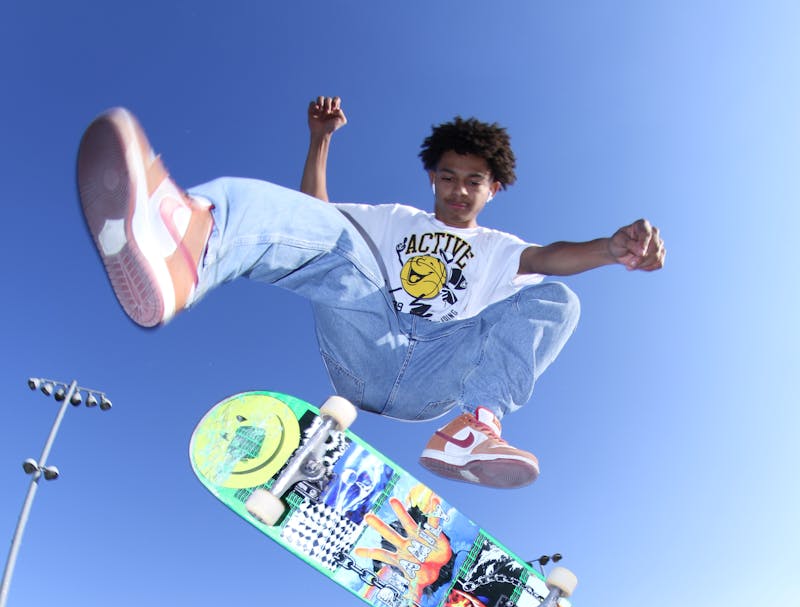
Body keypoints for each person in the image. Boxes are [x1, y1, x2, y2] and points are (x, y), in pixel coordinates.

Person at [77, 97, 665, 489]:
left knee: (557, 298)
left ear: (495, 188)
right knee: (335, 238)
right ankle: (191, 242)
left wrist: (610, 249)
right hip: (365, 345)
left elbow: (551, 257)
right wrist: (319, 141)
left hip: (438, 373)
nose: (459, 192)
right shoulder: (392, 219)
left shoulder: (500, 247)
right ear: (431, 179)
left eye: (474, 182)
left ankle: (474, 430)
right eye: (448, 178)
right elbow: (311, 217)